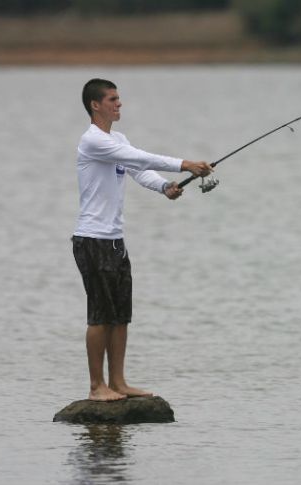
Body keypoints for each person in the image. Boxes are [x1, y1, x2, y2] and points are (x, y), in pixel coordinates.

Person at [72, 78, 212, 402]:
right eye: (112, 99)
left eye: (119, 99)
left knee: (121, 314)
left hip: (115, 241)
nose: (119, 104)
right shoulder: (93, 141)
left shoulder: (117, 138)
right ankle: (96, 387)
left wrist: (165, 186)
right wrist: (185, 164)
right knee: (100, 314)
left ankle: (118, 382)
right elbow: (140, 156)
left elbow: (139, 169)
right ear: (96, 105)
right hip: (92, 239)